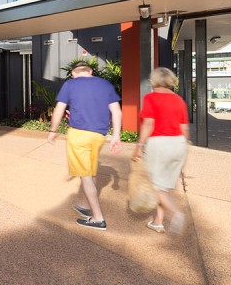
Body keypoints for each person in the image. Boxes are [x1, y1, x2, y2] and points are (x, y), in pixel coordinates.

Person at [47, 62, 122, 230]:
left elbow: (59, 109)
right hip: (99, 136)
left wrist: (53, 130)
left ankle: (97, 218)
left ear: (73, 73)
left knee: (85, 176)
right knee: (90, 171)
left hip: (79, 135)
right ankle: (84, 205)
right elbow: (117, 112)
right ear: (90, 71)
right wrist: (116, 136)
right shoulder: (105, 84)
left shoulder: (70, 84)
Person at [132, 66, 189, 234]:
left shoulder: (150, 98)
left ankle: (176, 213)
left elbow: (148, 124)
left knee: (155, 186)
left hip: (159, 143)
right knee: (163, 186)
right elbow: (184, 129)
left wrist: (139, 146)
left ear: (154, 80)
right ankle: (158, 221)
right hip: (178, 143)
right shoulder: (179, 100)